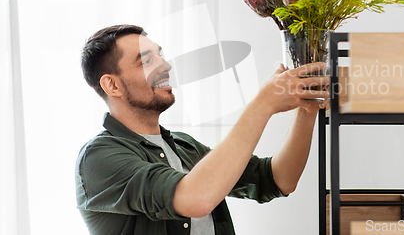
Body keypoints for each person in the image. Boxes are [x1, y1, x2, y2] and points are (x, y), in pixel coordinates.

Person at [75, 24, 329, 235]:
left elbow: (278, 179)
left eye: (160, 56)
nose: (165, 66)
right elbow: (195, 198)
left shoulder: (185, 146)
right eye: (146, 61)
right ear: (112, 85)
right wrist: (262, 105)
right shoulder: (98, 159)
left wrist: (306, 110)